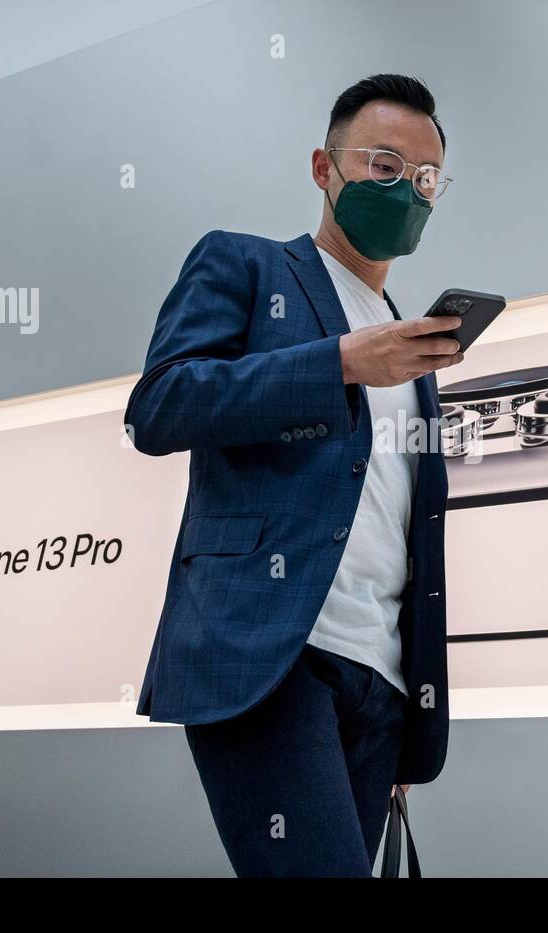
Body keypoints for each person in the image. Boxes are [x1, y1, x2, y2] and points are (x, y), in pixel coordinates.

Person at [125, 74, 462, 876]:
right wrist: (339, 361)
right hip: (271, 654)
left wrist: (407, 712)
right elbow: (160, 406)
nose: (405, 191)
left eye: (423, 180)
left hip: (378, 684)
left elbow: (404, 529)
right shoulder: (243, 265)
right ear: (324, 167)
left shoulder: (411, 349)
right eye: (383, 166)